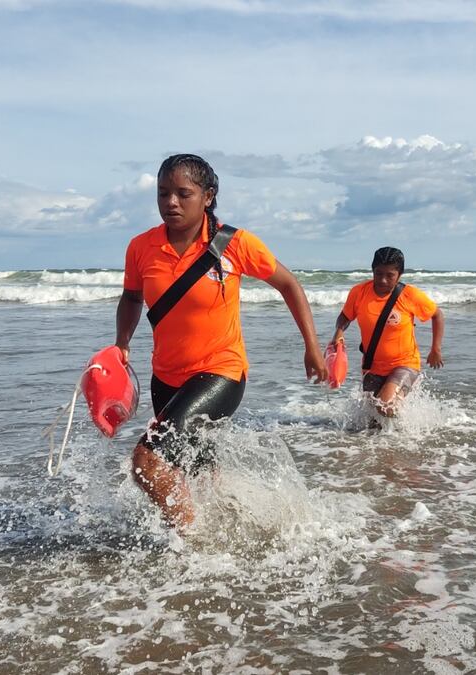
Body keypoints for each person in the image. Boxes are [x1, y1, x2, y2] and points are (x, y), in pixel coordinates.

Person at [113, 153, 327, 530]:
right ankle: (230, 527)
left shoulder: (235, 244)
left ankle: (191, 543)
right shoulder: (141, 247)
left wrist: (311, 346)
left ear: (208, 196)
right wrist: (122, 343)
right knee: (194, 469)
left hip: (221, 372)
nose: (171, 203)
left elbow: (289, 284)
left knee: (147, 461)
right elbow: (132, 298)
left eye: (183, 193)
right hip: (165, 377)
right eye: (163, 193)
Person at [329, 247, 445, 418]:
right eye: (378, 273)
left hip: (405, 363)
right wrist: (339, 332)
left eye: (390, 275)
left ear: (399, 275)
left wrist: (435, 349)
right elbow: (344, 317)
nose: (383, 280)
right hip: (372, 367)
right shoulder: (359, 293)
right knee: (372, 420)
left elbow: (437, 315)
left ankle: (407, 439)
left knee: (386, 406)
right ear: (372, 270)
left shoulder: (410, 295)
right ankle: (384, 443)